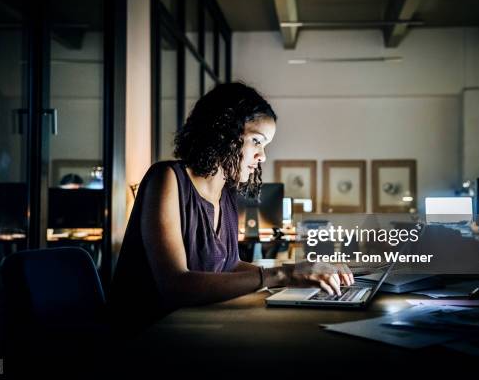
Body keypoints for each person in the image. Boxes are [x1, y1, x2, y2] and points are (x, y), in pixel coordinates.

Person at [109, 83, 353, 330]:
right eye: (257, 141)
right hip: (146, 336)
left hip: (193, 326)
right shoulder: (167, 178)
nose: (263, 156)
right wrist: (283, 275)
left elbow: (230, 265)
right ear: (224, 133)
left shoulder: (226, 194)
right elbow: (176, 286)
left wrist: (300, 272)